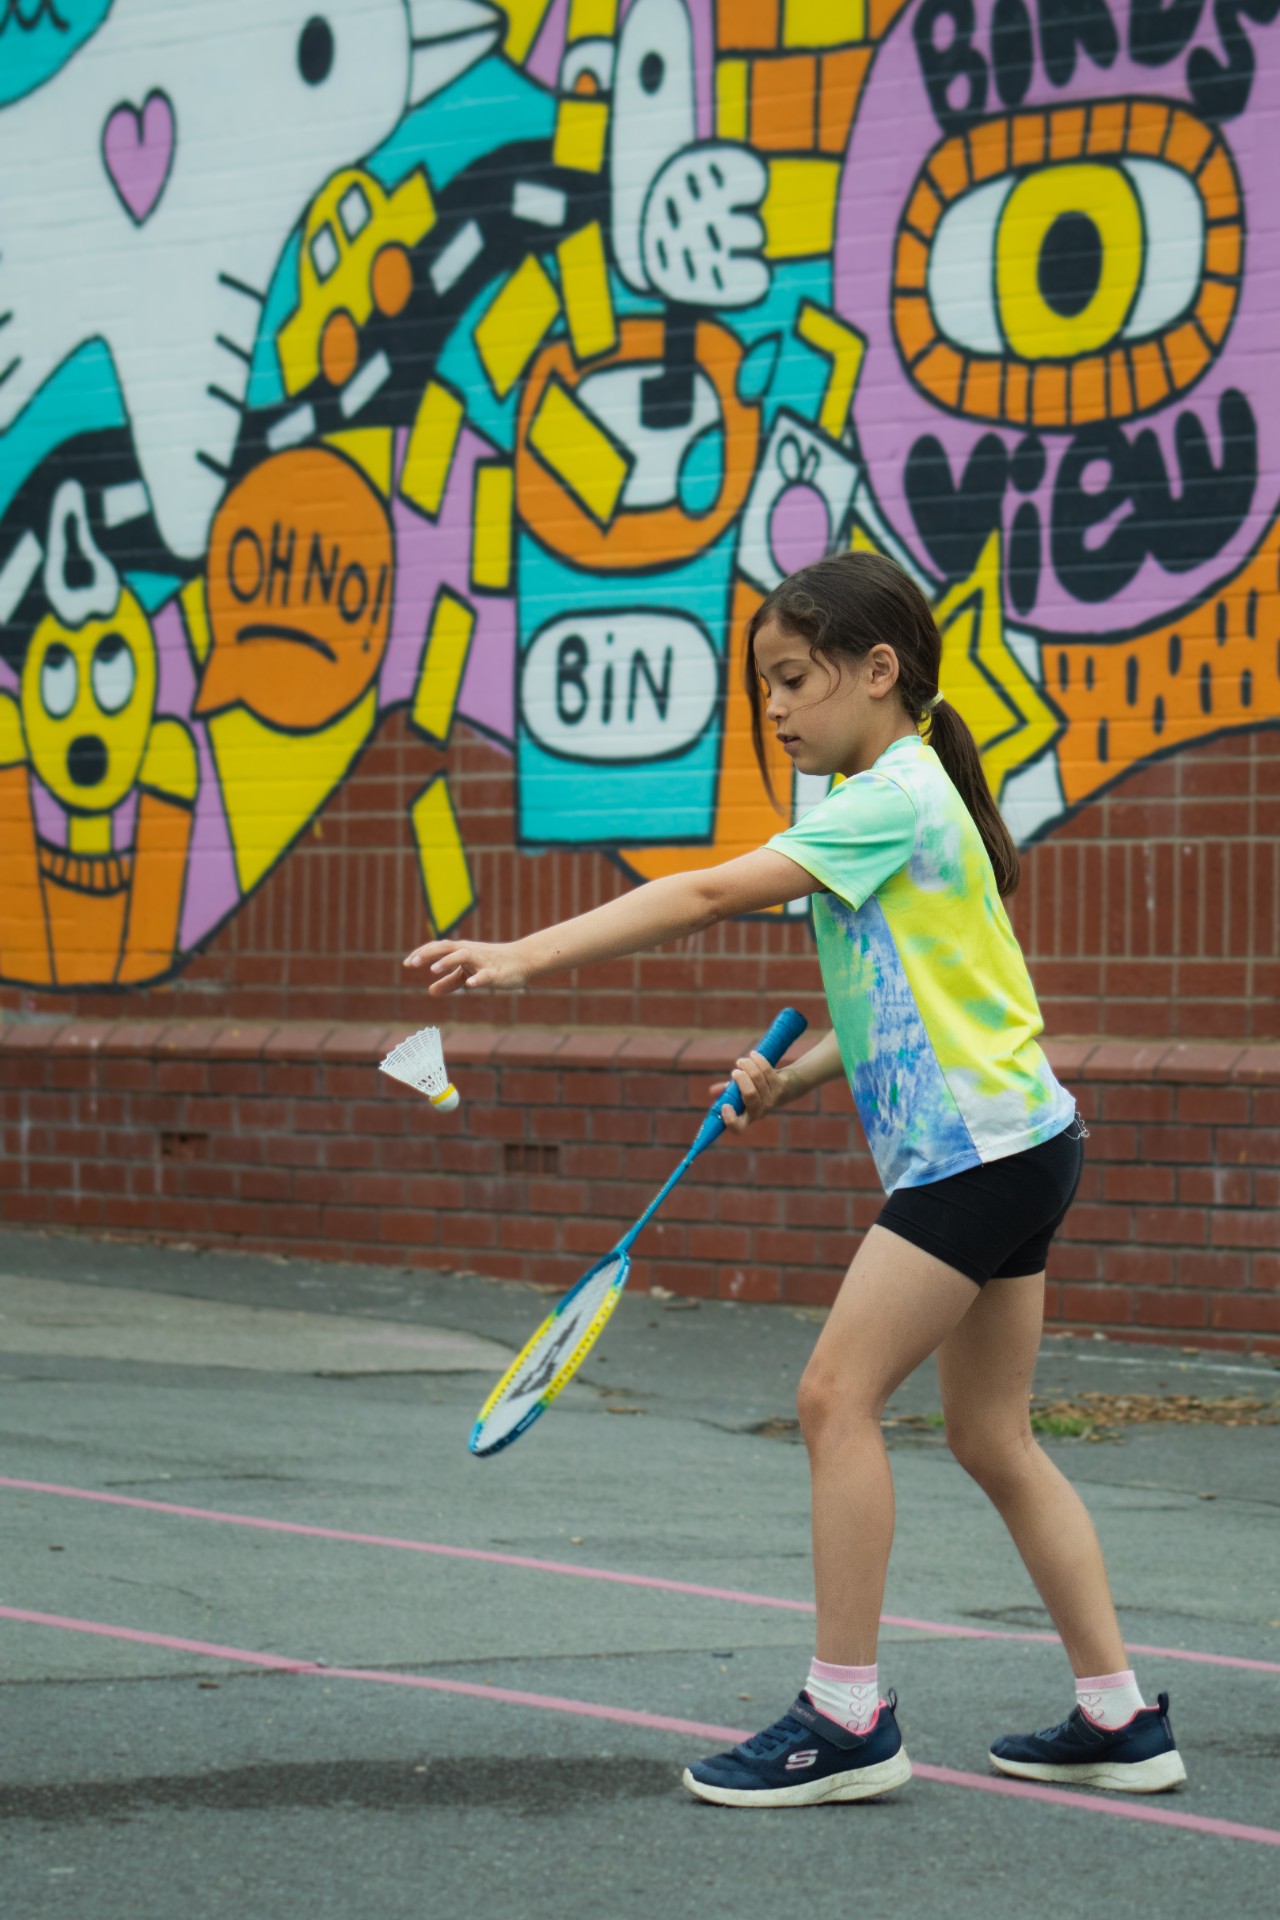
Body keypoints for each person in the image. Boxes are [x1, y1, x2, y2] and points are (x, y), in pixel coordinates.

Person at [404, 550, 1187, 1808]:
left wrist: (523, 955)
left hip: (973, 1159)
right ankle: (1118, 1718)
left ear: (878, 673)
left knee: (833, 1397)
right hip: (1027, 1141)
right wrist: (795, 1079)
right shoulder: (907, 794)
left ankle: (844, 1716)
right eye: (761, 685)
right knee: (989, 1436)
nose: (770, 710)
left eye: (789, 679)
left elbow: (710, 890)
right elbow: (913, 998)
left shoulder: (884, 798)